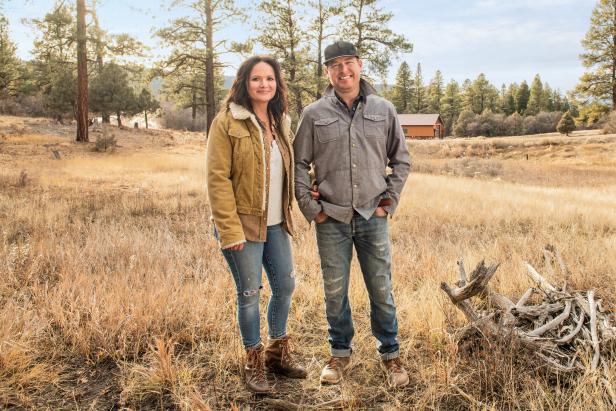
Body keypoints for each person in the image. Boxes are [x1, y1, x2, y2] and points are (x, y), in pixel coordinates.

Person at [293, 41, 411, 388]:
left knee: (381, 288)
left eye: (348, 63)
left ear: (360, 65)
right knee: (334, 290)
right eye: (335, 65)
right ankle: (339, 353)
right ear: (326, 71)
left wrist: (388, 201)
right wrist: (311, 209)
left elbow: (401, 160)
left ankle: (390, 354)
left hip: (372, 216)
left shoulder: (383, 109)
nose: (343, 71)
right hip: (332, 217)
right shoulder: (313, 114)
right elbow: (299, 163)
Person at [206, 56, 306, 394]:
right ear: (244, 83)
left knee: (285, 287)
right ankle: (253, 361)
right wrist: (229, 230)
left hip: (277, 224)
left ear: (277, 83)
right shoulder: (226, 123)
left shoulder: (280, 122)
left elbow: (286, 170)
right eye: (256, 79)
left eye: (269, 79)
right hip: (242, 227)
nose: (264, 84)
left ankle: (278, 352)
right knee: (249, 294)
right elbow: (217, 180)